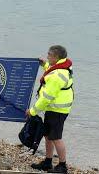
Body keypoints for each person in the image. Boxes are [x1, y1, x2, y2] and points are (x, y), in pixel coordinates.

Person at [26, 45, 74, 173]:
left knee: (56, 137)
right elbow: (51, 69)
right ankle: (48, 162)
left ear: (56, 57)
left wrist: (32, 111)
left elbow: (46, 98)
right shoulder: (61, 66)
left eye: (49, 55)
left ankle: (62, 166)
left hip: (58, 111)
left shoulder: (57, 75)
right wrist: (45, 64)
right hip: (53, 109)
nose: (47, 56)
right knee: (48, 135)